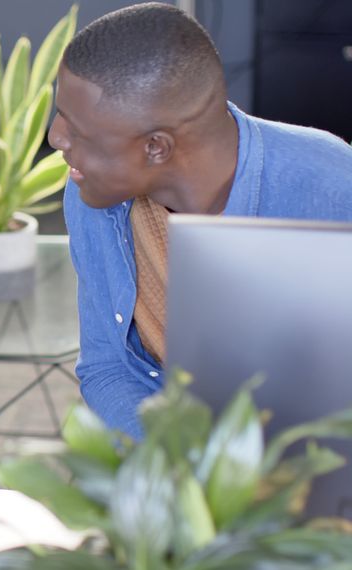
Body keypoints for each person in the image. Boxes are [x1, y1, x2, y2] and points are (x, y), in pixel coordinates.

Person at [48, 2, 352, 439]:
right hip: (166, 466)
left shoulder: (332, 189)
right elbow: (106, 368)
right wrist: (181, 466)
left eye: (77, 129)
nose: (56, 137)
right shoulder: (91, 192)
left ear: (156, 147)